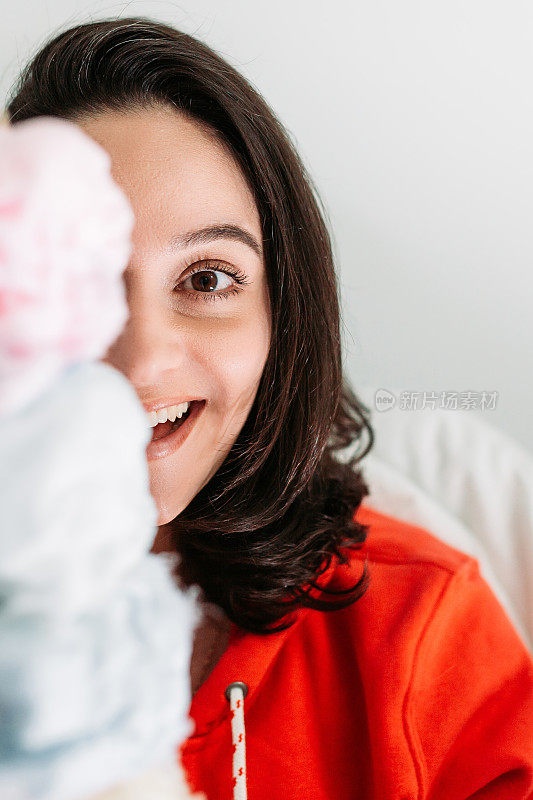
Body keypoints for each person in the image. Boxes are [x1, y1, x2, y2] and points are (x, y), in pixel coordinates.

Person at [6, 16, 533, 800]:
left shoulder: (420, 628)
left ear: (282, 314)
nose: (143, 358)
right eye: (87, 284)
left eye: (208, 278)